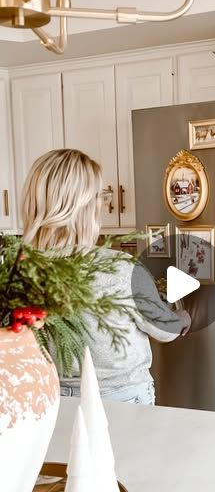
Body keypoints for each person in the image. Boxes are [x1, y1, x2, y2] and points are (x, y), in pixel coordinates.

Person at [21, 148, 191, 405]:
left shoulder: (22, 271)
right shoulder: (119, 268)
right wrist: (181, 317)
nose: (103, 203)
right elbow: (163, 330)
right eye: (99, 196)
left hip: (52, 399)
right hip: (121, 398)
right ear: (85, 207)